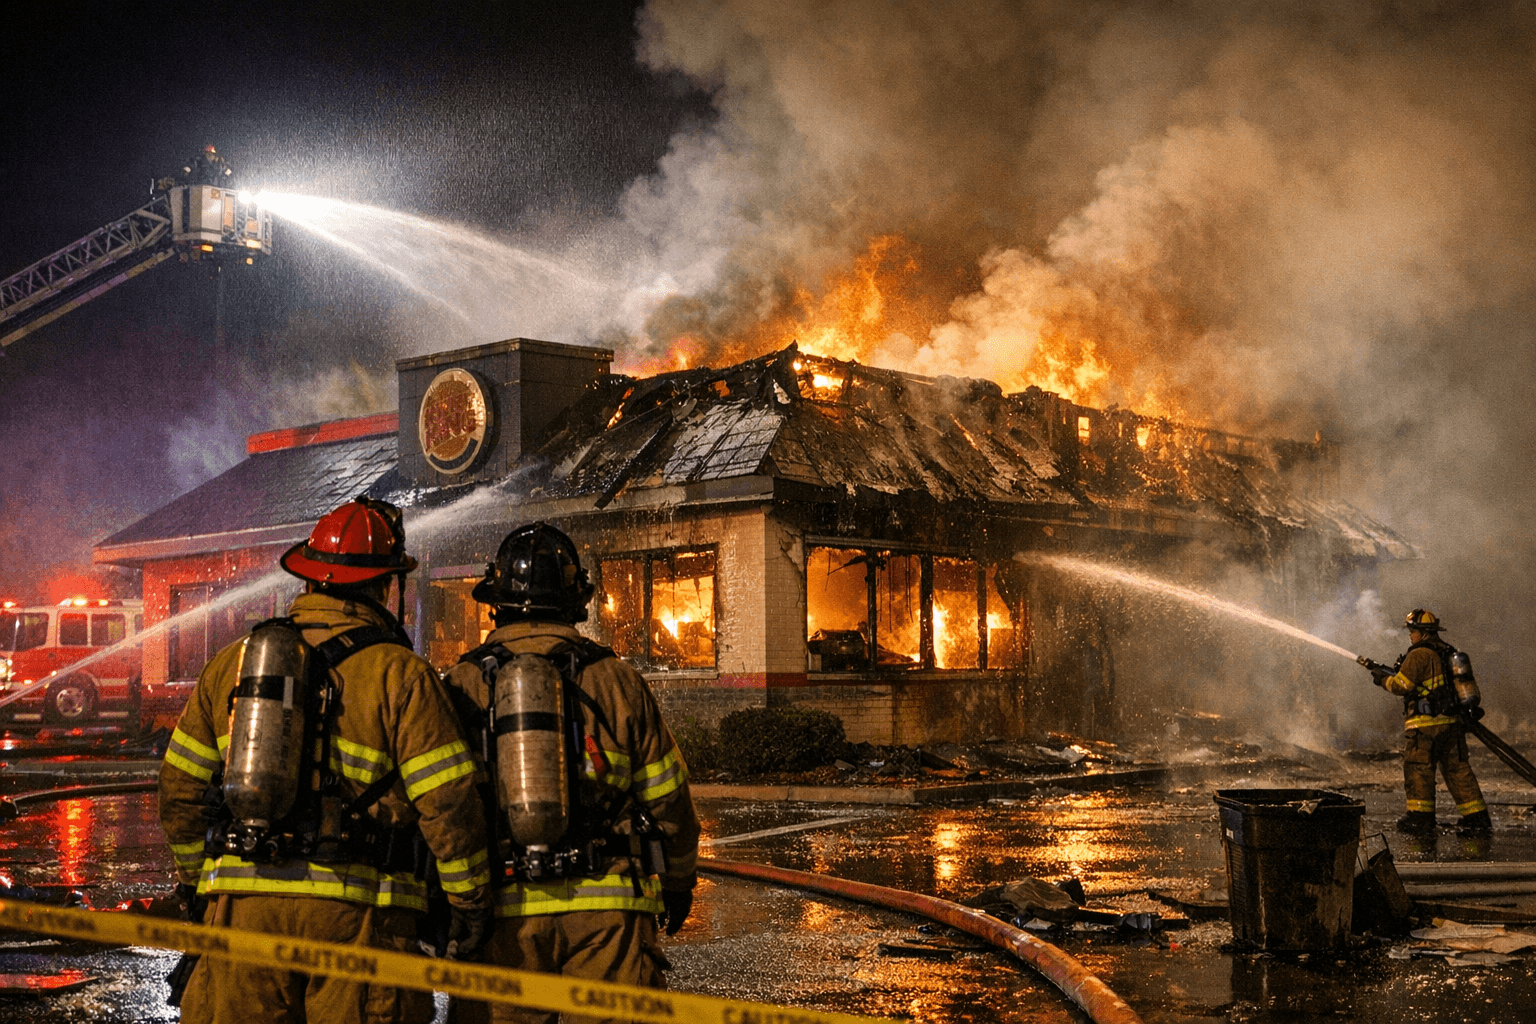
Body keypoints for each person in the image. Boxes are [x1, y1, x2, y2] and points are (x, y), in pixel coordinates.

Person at [158, 498, 493, 1024]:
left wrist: (197, 879)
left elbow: (178, 791)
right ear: (385, 585)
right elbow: (449, 806)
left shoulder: (232, 665)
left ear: (310, 580)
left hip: (242, 912)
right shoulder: (401, 675)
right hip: (361, 918)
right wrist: (468, 902)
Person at [442, 522, 699, 1024]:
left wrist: (458, 899)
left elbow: (445, 806)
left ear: (496, 602)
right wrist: (680, 879)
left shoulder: (463, 682)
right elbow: (669, 797)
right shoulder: (615, 679)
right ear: (576, 600)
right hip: (605, 909)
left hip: (503, 915)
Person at [1370, 609, 1491, 835]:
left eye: (1414, 631)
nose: (1411, 635)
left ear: (1424, 633)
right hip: (1452, 724)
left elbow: (1401, 686)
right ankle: (1477, 818)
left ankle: (1420, 818)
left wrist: (1383, 679)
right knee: (1458, 770)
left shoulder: (1419, 655)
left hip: (1425, 726)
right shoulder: (1448, 652)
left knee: (1419, 769)